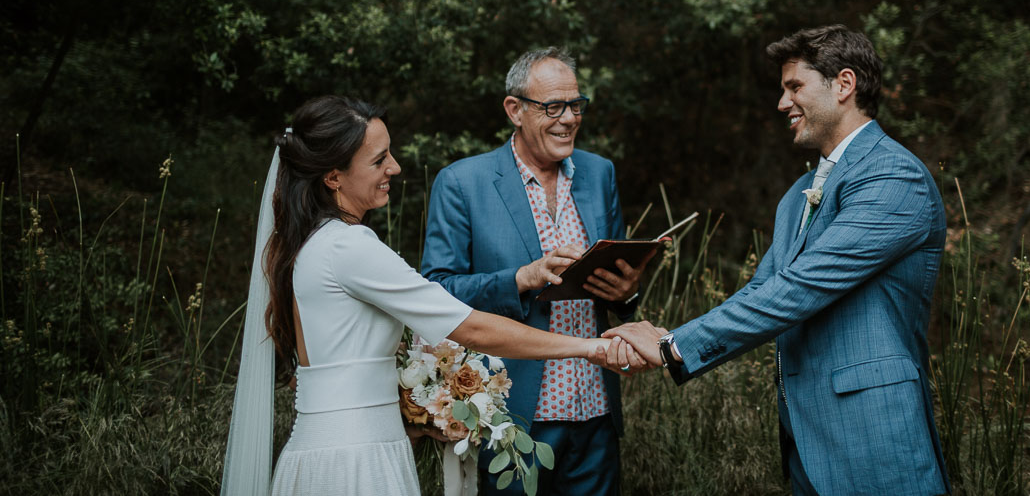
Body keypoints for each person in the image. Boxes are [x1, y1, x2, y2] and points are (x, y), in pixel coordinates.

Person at [219, 95, 641, 496]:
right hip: (355, 461)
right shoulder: (349, 247)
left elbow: (344, 366)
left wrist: (423, 411)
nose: (396, 168)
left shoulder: (313, 242)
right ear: (333, 176)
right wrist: (591, 348)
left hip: (327, 446)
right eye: (379, 159)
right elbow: (471, 326)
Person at [607, 25, 950, 496]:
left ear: (844, 85)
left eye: (795, 87)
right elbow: (763, 290)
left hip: (874, 437)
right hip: (805, 439)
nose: (782, 103)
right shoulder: (797, 195)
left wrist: (673, 348)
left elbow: (800, 290)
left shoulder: (893, 176)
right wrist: (668, 337)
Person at [421, 48, 648, 496]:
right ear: (515, 110)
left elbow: (619, 284)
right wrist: (519, 279)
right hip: (512, 415)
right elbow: (436, 291)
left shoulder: (600, 174)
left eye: (575, 105)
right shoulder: (462, 183)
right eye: (552, 107)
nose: (568, 119)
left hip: (595, 409)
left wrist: (625, 294)